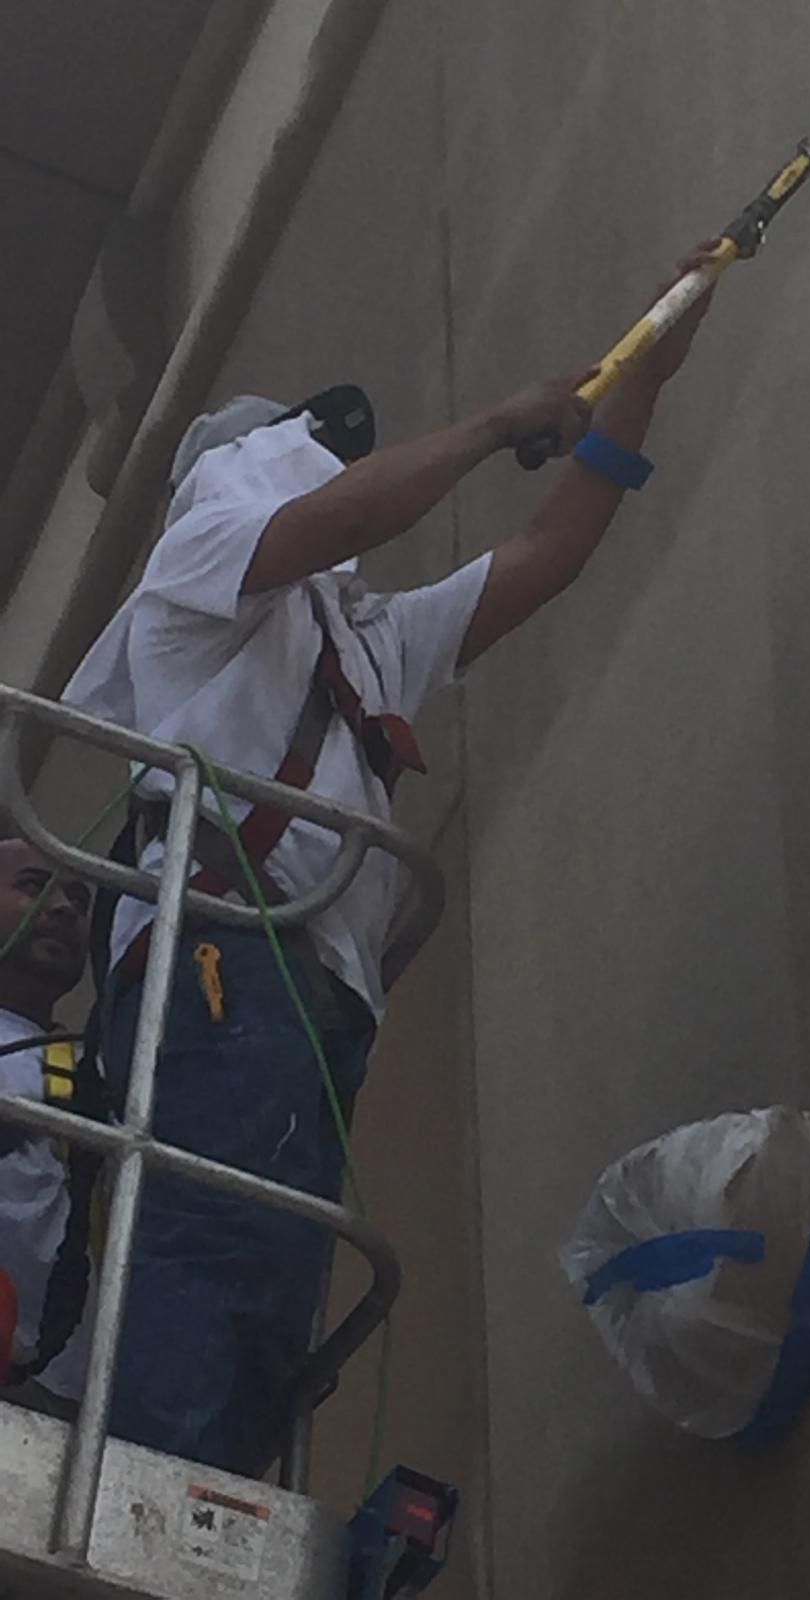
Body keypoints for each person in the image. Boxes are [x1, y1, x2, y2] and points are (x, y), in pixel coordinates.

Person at [63, 250, 717, 1477]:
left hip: (317, 991)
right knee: (208, 1247)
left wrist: (646, 378)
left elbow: (548, 552)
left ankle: (212, 1504)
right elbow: (344, 515)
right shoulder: (200, 567)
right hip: (220, 953)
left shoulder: (360, 640)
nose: (327, 460)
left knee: (267, 1289)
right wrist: (488, 422)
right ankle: (153, 1502)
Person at [0, 831, 96, 1417]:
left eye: (80, 901)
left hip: (42, 1400)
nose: (63, 908)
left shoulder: (91, 1081)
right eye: (33, 887)